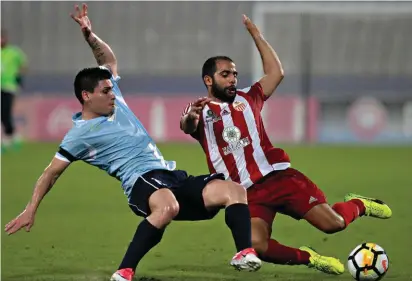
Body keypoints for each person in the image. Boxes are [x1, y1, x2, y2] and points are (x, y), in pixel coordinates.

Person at [4, 5, 262, 281]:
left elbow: (109, 60)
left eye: (111, 89)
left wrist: (89, 35)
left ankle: (244, 253)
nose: (112, 94)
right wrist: (31, 208)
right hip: (140, 182)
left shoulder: (116, 102)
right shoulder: (78, 135)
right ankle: (124, 272)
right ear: (86, 96)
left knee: (233, 191)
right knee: (167, 207)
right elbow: (51, 173)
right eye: (105, 91)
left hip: (169, 175)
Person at [180, 14, 392, 275]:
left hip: (279, 178)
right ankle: (310, 258)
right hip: (246, 194)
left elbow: (276, 73)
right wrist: (190, 117)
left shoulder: (249, 98)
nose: (232, 79)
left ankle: (359, 204)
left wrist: (257, 37)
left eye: (234, 74)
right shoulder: (200, 111)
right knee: (257, 246)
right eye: (225, 74)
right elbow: (187, 126)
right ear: (209, 80)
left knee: (333, 224)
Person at [1, 28, 28, 152]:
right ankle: (12, 137)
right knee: (3, 113)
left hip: (9, 87)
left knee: (5, 112)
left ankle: (9, 139)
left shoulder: (14, 52)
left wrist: (19, 78)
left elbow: (23, 65)